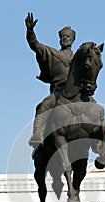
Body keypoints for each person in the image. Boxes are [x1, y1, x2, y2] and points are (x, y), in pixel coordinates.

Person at [25, 12, 76, 147]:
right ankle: (37, 134)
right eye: (63, 36)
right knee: (44, 105)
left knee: (96, 110)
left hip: (76, 93)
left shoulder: (78, 58)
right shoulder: (52, 53)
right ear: (59, 39)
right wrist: (30, 31)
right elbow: (35, 45)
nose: (65, 38)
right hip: (58, 92)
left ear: (73, 40)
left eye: (68, 36)